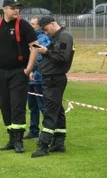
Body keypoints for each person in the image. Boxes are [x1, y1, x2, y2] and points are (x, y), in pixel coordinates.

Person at [0, 0, 38, 153]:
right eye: (13, 7)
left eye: (18, 8)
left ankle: (18, 140)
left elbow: (35, 47)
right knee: (4, 104)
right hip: (1, 72)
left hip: (18, 72)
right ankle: (11, 137)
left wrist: (28, 69)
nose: (16, 10)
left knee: (17, 105)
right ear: (4, 9)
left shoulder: (23, 26)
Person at [31, 16, 75, 157]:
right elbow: (55, 54)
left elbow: (62, 57)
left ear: (52, 23)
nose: (45, 33)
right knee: (57, 110)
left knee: (50, 111)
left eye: (45, 29)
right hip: (51, 77)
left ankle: (43, 145)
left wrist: (45, 51)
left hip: (55, 78)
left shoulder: (64, 37)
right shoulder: (58, 37)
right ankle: (59, 142)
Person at [26, 17, 48, 143]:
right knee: (32, 106)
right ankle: (33, 130)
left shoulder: (43, 39)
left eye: (33, 24)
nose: (30, 26)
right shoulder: (29, 39)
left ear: (39, 26)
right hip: (29, 79)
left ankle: (46, 132)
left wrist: (33, 70)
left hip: (38, 78)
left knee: (42, 106)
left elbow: (40, 57)